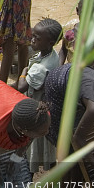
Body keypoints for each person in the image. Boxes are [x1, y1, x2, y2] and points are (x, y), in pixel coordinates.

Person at [15, 18, 63, 173]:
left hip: (35, 108)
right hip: (48, 107)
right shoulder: (53, 56)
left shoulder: (40, 68)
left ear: (50, 42)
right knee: (48, 147)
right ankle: (54, 182)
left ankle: (27, 180)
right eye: (33, 35)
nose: (33, 40)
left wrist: (23, 73)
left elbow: (21, 87)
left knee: (32, 146)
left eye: (37, 38)